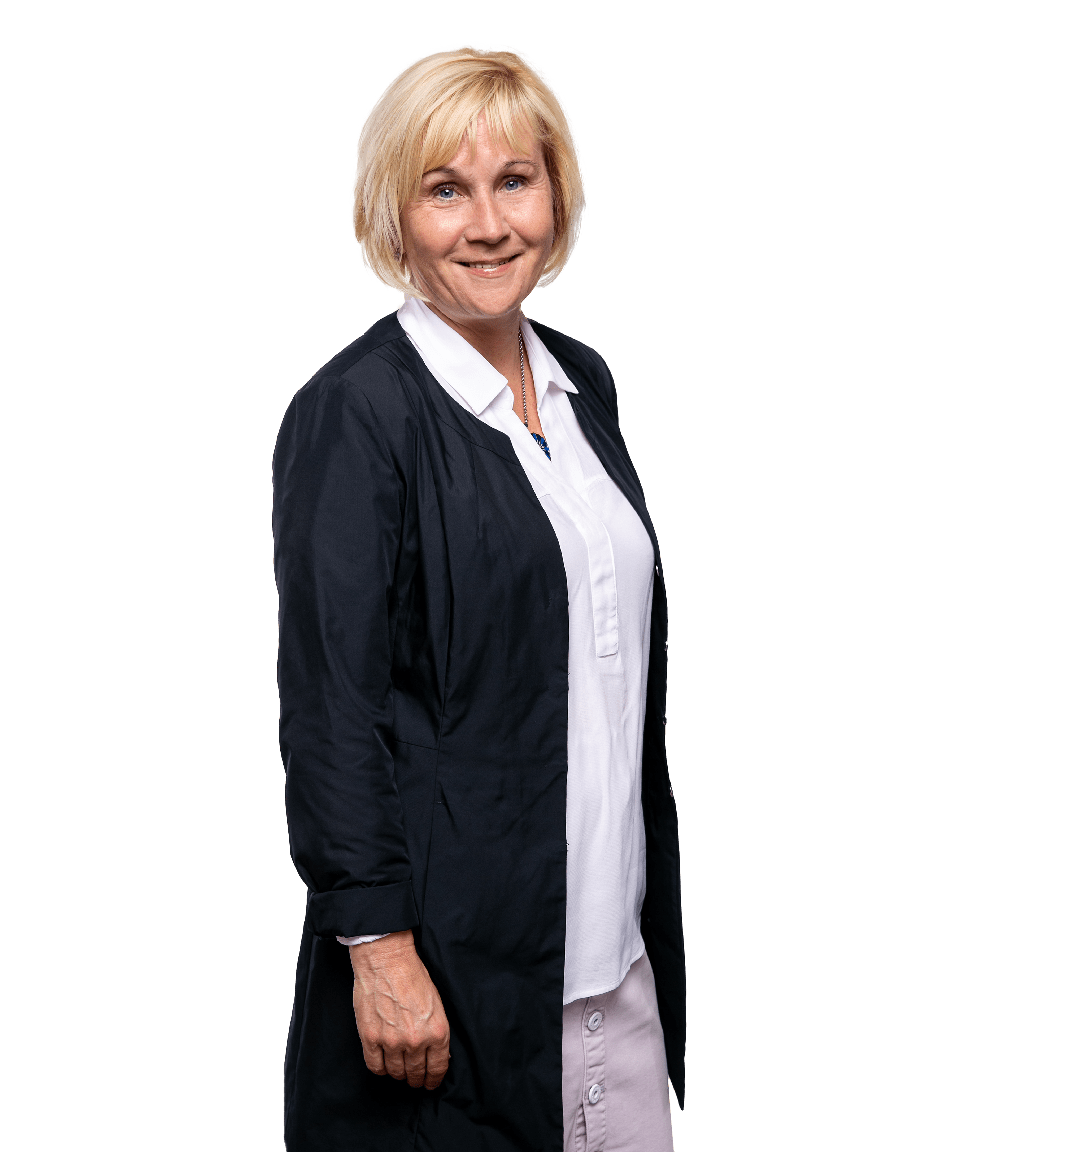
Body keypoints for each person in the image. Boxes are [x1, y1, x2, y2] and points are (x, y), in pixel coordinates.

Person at [273, 43, 684, 1151]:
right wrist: (377, 948)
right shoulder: (358, 412)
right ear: (395, 217)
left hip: (612, 972)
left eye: (515, 180)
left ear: (558, 195)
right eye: (445, 190)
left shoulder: (583, 383)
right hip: (452, 986)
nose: (490, 224)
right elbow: (331, 707)